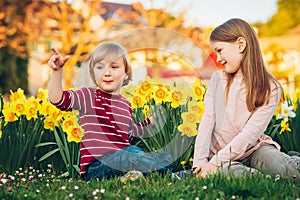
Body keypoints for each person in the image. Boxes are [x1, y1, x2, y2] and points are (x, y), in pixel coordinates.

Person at [48, 42, 173, 180]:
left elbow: (129, 134)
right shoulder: (87, 96)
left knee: (163, 156)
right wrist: (57, 71)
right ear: (93, 73)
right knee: (130, 155)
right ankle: (165, 175)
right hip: (97, 167)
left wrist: (149, 122)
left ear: (126, 74)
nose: (107, 72)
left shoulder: (125, 104)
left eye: (114, 67)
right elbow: (57, 99)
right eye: (100, 67)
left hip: (123, 159)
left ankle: (134, 176)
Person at [193, 18, 300, 179]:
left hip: (254, 149)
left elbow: (249, 134)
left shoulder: (271, 87)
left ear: (241, 45)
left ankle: (289, 161)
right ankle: (261, 177)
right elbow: (207, 121)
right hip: (221, 156)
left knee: (289, 172)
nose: (218, 59)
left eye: (220, 50)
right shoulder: (217, 79)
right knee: (231, 173)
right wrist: (200, 163)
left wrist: (214, 163)